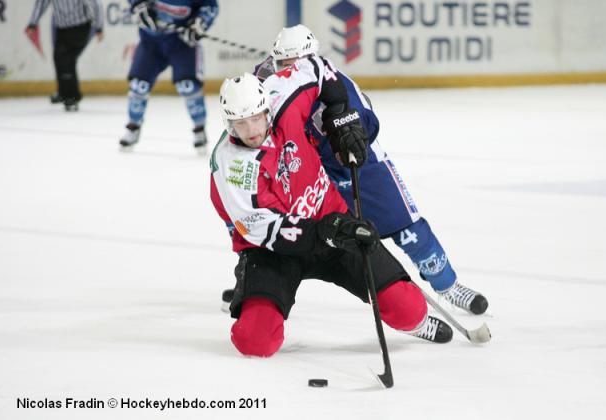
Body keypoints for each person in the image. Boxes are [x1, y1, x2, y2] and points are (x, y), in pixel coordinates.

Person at [225, 25, 489, 315]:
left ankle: (447, 285)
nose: (291, 69)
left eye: (297, 62)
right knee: (258, 215)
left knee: (408, 228)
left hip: (362, 169)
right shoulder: (269, 77)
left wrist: (353, 132)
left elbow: (370, 123)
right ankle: (250, 281)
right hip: (312, 172)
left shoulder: (337, 83)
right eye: (284, 64)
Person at [210, 72, 453, 357]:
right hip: (273, 251)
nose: (251, 129)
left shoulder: (285, 106)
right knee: (256, 343)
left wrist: (341, 114)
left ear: (267, 109)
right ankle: (250, 289)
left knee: (408, 310)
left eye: (255, 118)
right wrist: (327, 229)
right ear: (229, 124)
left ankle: (415, 323)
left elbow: (319, 70)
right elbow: (267, 230)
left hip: (336, 228)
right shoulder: (231, 167)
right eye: (240, 123)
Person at [119, 0, 218, 155]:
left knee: (188, 86)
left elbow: (210, 6)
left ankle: (199, 128)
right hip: (150, 43)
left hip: (181, 44)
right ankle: (133, 126)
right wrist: (139, 6)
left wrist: (198, 24)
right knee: (139, 85)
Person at [25, 0, 104, 111]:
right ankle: (64, 92)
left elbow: (96, 4)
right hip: (61, 29)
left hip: (80, 27)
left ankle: (71, 97)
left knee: (67, 60)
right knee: (59, 58)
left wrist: (99, 27)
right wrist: (33, 22)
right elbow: (41, 3)